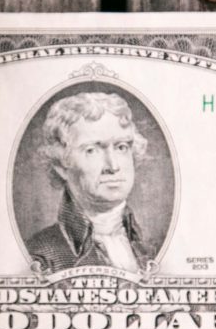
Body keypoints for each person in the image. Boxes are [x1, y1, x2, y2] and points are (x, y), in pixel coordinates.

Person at [25, 91, 154, 272]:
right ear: (61, 165)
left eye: (121, 147)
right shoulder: (40, 255)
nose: (113, 166)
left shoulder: (150, 245)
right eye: (92, 150)